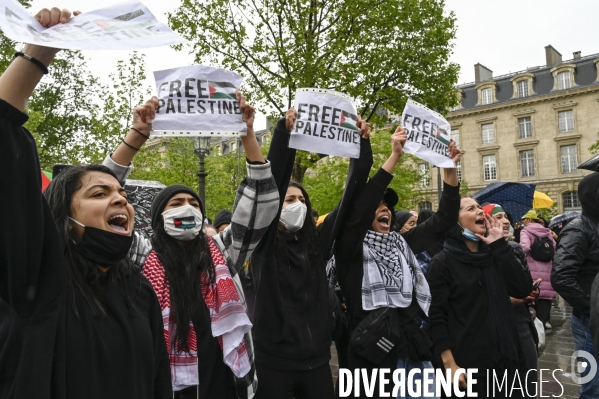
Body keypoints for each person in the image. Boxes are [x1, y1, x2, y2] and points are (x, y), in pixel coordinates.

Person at [0, 8, 171, 399]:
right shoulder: (39, 283)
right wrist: (38, 53)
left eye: (123, 196)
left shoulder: (138, 291)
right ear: (62, 218)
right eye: (100, 194)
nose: (120, 201)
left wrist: (135, 139)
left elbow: (158, 379)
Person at [102, 92, 278, 399]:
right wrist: (137, 136)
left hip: (221, 382)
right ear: (159, 218)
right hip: (161, 385)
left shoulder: (222, 252)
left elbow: (260, 205)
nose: (187, 208)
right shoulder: (142, 255)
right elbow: (101, 206)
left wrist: (248, 136)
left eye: (193, 204)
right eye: (176, 203)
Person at [250, 107, 372, 399]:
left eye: (301, 199)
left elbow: (350, 195)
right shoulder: (262, 243)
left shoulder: (316, 240)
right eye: (289, 199)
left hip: (317, 363)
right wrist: (284, 136)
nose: (296, 204)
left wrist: (361, 147)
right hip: (273, 365)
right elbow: (273, 182)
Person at [334, 127, 462, 399]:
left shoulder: (402, 243)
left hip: (412, 353)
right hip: (372, 361)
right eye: (376, 205)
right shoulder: (349, 249)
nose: (384, 209)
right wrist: (394, 156)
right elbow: (356, 214)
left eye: (387, 206)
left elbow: (444, 221)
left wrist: (449, 171)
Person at [427, 198, 533, 397]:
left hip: (506, 359)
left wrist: (500, 246)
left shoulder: (496, 254)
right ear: (454, 221)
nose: (479, 211)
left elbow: (522, 289)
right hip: (467, 364)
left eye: (479, 207)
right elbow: (436, 316)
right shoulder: (442, 263)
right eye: (470, 208)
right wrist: (450, 364)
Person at [483, 204, 539, 398]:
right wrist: (508, 300)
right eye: (498, 217)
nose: (506, 221)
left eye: (506, 216)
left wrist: (531, 299)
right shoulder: (478, 252)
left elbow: (524, 282)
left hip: (521, 323)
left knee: (528, 381)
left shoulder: (514, 248)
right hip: (497, 328)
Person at [553, 172, 599, 399]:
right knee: (593, 385)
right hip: (590, 320)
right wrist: (591, 308)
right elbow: (561, 277)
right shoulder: (579, 228)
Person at [519, 210, 556, 330]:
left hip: (533, 269)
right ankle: (543, 327)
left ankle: (535, 333)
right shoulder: (546, 231)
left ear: (529, 220)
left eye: (524, 219)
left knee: (533, 298)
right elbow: (554, 247)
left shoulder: (525, 230)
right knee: (545, 299)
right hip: (547, 269)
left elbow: (524, 247)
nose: (523, 222)